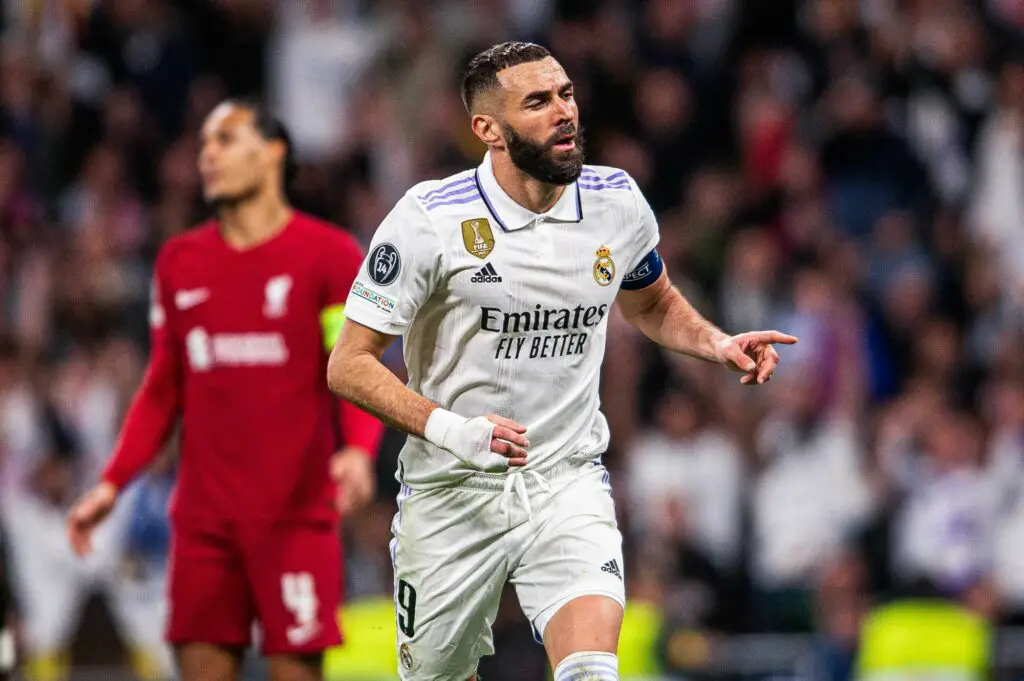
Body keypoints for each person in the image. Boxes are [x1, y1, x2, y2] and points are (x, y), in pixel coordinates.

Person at [327, 41, 798, 681]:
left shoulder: (615, 202)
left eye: (566, 94)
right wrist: (454, 430)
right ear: (488, 129)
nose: (564, 111)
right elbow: (348, 364)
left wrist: (714, 343)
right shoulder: (428, 220)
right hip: (450, 491)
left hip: (565, 480)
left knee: (591, 670)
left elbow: (652, 300)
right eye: (538, 101)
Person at [66, 99, 385, 681]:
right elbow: (163, 388)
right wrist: (112, 484)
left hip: (295, 519)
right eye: (205, 143)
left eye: (226, 139)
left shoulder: (330, 257)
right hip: (204, 526)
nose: (207, 155)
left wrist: (360, 452)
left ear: (272, 153)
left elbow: (355, 366)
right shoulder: (180, 262)